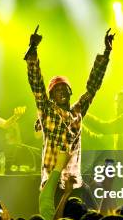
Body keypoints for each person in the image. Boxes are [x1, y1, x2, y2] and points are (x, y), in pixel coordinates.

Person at [25, 25, 113, 191]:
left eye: (64, 88)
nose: (62, 91)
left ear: (70, 91)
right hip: (52, 181)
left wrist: (106, 52)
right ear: (51, 96)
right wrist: (32, 50)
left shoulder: (77, 113)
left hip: (73, 182)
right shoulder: (47, 111)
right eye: (57, 90)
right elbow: (36, 83)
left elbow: (92, 87)